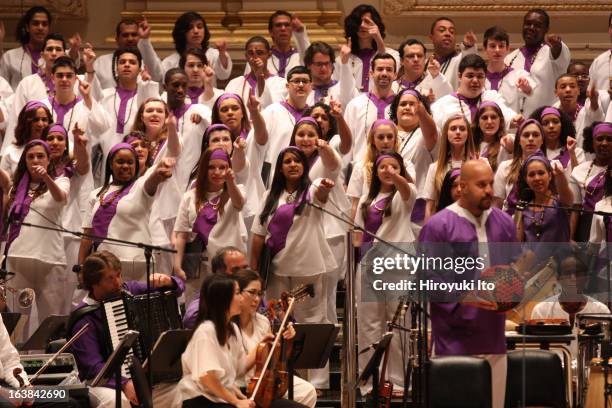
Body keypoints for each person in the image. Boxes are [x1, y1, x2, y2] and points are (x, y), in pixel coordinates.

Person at [419, 159, 518, 408]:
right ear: (462, 187)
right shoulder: (438, 225)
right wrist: (469, 296)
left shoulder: (504, 222)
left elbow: (515, 268)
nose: (488, 190)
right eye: (481, 184)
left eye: (490, 184)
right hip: (453, 339)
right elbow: (430, 281)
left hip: (494, 336)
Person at [69, 250, 183, 408]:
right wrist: (124, 383)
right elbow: (93, 367)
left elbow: (176, 289)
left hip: (138, 378)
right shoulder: (83, 319)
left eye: (118, 275)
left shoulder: (129, 290)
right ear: (94, 283)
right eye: (110, 278)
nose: (118, 282)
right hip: (98, 382)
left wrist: (168, 281)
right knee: (116, 401)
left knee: (179, 390)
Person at [177, 273, 306, 408]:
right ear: (224, 300)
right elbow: (207, 378)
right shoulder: (206, 331)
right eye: (238, 293)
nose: (241, 298)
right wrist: (236, 401)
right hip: (203, 401)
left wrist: (262, 346)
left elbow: (241, 368)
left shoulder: (232, 328)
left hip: (224, 397)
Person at [251, 147, 336, 326]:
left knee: (310, 322)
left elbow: (322, 192)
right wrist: (254, 271)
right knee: (277, 321)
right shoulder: (269, 196)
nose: (293, 165)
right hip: (275, 271)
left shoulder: (312, 190)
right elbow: (258, 235)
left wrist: (324, 187)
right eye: (287, 161)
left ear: (304, 166)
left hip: (309, 271)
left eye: (297, 161)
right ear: (280, 168)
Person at [354, 152, 416, 395]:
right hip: (370, 265)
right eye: (383, 167)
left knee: (399, 323)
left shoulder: (405, 193)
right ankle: (369, 382)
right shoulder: (364, 200)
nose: (388, 170)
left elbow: (408, 191)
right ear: (374, 171)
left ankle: (399, 382)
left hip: (399, 265)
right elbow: (358, 236)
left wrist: (397, 176)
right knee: (369, 324)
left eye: (394, 166)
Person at [78, 143, 175, 281]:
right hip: (103, 265)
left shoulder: (140, 185)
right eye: (120, 161)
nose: (125, 166)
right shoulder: (95, 194)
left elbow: (151, 183)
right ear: (111, 164)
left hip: (136, 265)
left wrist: (158, 174)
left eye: (130, 162)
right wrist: (81, 266)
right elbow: (87, 235)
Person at [4, 140, 69, 338]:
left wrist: (47, 178)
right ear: (25, 160)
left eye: (40, 156)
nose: (35, 160)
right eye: (30, 156)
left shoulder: (60, 181)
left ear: (49, 160)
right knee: (18, 317)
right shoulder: (16, 187)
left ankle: (49, 362)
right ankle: (17, 363)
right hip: (18, 257)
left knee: (49, 317)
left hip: (50, 258)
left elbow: (60, 198)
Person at [233, 269, 317, 408]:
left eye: (259, 294)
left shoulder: (263, 321)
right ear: (237, 293)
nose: (257, 299)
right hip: (241, 383)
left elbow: (272, 358)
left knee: (307, 391)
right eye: (252, 293)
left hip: (265, 379)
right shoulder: (227, 324)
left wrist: (286, 340)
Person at [174, 147, 247, 304]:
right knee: (197, 309)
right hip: (197, 265)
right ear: (204, 168)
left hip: (228, 266)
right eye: (211, 167)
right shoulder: (189, 197)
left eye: (223, 167)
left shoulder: (236, 190)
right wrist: (177, 265)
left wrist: (231, 182)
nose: (217, 172)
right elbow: (181, 234)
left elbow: (239, 204)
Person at [89, 47, 159, 183]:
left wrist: (147, 86)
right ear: (116, 68)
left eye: (132, 62)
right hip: (107, 162)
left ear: (140, 68)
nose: (127, 65)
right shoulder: (104, 96)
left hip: (138, 160)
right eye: (122, 62)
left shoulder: (145, 94)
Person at [505, 8, 571, 117]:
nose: (531, 28)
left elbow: (559, 53)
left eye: (537, 25)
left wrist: (557, 44)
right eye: (528, 24)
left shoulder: (551, 52)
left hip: (546, 122)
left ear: (546, 29)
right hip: (516, 124)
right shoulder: (510, 58)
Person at [138, 12, 231, 86]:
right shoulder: (171, 61)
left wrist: (222, 53)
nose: (196, 31)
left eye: (199, 27)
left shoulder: (213, 54)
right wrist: (145, 40)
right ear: (182, 32)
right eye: (190, 27)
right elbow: (156, 76)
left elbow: (224, 75)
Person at [389, 88, 438, 225]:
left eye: (413, 104)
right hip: (387, 203)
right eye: (403, 104)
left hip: (417, 209)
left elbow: (432, 134)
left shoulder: (424, 133)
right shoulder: (385, 132)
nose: (408, 108)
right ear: (395, 109)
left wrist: (422, 111)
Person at [431, 54, 518, 131]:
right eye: (470, 76)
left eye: (480, 76)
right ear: (459, 76)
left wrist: (515, 119)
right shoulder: (442, 105)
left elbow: (506, 114)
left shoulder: (492, 97)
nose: (475, 80)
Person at [260, 66, 313, 181]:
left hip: (306, 177)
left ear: (311, 86)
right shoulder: (272, 111)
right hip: (275, 176)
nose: (300, 85)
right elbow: (259, 146)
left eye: (305, 81)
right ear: (287, 86)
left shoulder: (314, 115)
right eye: (296, 81)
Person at [422, 115, 478, 221]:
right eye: (453, 129)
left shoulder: (480, 164)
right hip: (444, 223)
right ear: (446, 134)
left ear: (468, 134)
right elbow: (430, 207)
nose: (458, 132)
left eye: (462, 129)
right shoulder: (435, 168)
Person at [344, 53, 397, 161]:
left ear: (395, 75)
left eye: (389, 70)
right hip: (361, 169)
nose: (384, 73)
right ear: (371, 73)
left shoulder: (401, 105)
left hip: (394, 169)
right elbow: (348, 145)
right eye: (380, 69)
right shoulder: (355, 105)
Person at [182, 246, 248, 329]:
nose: (243, 274)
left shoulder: (250, 289)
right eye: (236, 269)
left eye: (245, 268)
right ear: (219, 273)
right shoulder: (211, 292)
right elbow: (190, 319)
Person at [515, 152, 573, 243]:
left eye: (541, 173)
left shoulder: (560, 202)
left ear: (550, 176)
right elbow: (517, 243)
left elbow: (567, 196)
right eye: (531, 175)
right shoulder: (523, 207)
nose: (537, 178)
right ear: (526, 179)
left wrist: (560, 176)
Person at [341, 4, 400, 93]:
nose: (362, 25)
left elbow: (386, 61)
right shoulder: (344, 58)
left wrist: (378, 39)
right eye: (358, 22)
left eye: (367, 22)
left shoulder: (393, 54)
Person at [570, 122, 612, 241]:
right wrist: (571, 237)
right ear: (592, 143)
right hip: (586, 226)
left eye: (609, 139)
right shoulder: (579, 171)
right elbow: (575, 208)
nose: (604, 143)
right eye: (599, 139)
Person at [494, 119, 545, 214]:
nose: (530, 139)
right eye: (526, 135)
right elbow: (497, 205)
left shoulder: (552, 166)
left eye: (535, 135)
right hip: (509, 223)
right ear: (519, 141)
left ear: (542, 140)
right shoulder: (505, 167)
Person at [483, 26, 535, 114]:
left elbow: (531, 91)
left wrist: (526, 88)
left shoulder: (518, 75)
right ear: (485, 49)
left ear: (507, 49)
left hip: (510, 127)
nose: (497, 50)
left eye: (501, 46)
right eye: (492, 46)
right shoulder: (478, 77)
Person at [244, 11, 311, 78]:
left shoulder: (299, 56)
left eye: (287, 25)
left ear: (292, 30)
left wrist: (300, 33)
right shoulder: (258, 57)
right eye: (278, 25)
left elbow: (310, 62)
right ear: (271, 32)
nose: (283, 28)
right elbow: (249, 83)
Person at [225, 36, 287, 108]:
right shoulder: (234, 83)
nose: (255, 57)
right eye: (251, 53)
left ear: (269, 55)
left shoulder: (280, 83)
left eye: (259, 53)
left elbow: (272, 109)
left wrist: (259, 76)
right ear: (246, 56)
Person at [0, 6, 51, 90]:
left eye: (44, 24)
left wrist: (74, 50)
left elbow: (72, 59)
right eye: (36, 23)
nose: (40, 28)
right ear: (27, 27)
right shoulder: (10, 56)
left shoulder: (55, 54)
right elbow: (1, 87)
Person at [0, 101, 51, 176]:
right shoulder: (10, 152)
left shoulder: (55, 148)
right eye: (35, 120)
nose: (40, 124)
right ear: (25, 123)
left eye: (44, 120)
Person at [554, 73, 604, 147]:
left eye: (572, 86)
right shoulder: (551, 115)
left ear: (578, 91)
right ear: (556, 93)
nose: (568, 90)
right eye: (563, 87)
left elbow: (597, 116)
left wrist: (594, 101)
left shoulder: (586, 113)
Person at [428, 16, 478, 91]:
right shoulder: (425, 64)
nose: (448, 34)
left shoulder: (459, 61)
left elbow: (469, 60)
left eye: (452, 32)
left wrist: (468, 46)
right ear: (431, 38)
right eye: (442, 30)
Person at [530, 106, 582, 171]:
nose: (551, 126)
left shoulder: (577, 152)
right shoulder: (534, 153)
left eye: (555, 122)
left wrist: (572, 153)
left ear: (562, 125)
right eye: (545, 123)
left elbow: (580, 178)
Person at [93, 19, 141, 90]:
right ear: (117, 39)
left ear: (140, 38)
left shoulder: (148, 62)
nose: (130, 39)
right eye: (125, 35)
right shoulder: (101, 62)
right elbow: (92, 90)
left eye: (134, 35)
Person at [472, 101, 511, 172]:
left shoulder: (506, 145)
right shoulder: (470, 146)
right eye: (484, 118)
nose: (489, 122)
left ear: (500, 121)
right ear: (478, 122)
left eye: (493, 117)